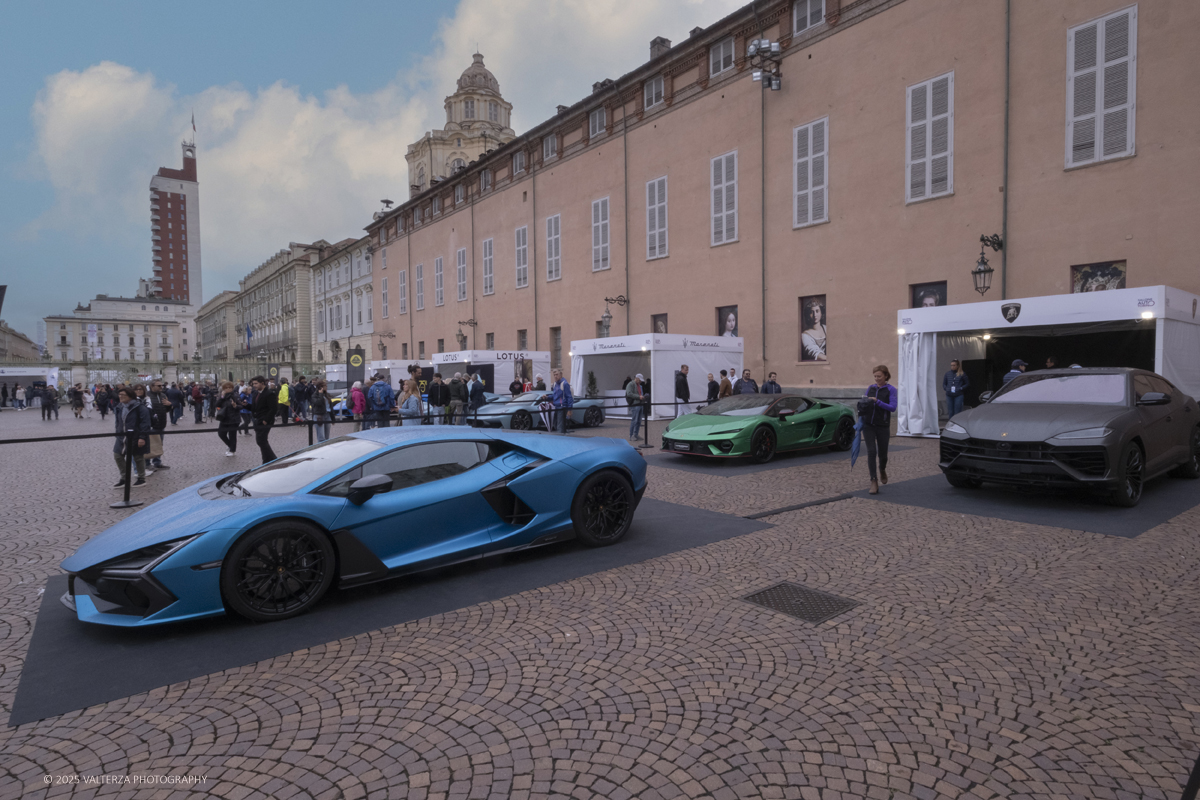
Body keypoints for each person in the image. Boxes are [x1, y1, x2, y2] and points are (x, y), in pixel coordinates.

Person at [860, 364, 898, 496]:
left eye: (879, 376)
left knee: (883, 454)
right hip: (868, 425)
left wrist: (877, 402)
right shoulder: (870, 388)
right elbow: (864, 402)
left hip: (883, 426)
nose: (876, 379)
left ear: (886, 376)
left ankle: (882, 468)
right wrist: (863, 405)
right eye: (875, 376)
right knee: (871, 452)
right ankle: (873, 480)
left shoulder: (891, 390)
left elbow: (893, 407)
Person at [112, 386, 151, 488]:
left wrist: (142, 437)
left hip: (136, 436)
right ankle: (124, 478)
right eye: (119, 395)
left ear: (130, 396)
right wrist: (118, 432)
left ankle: (141, 478)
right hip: (122, 436)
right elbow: (118, 422)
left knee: (138, 457)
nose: (120, 397)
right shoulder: (119, 407)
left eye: (123, 395)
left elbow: (145, 423)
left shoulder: (140, 407)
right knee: (117, 455)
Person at [250, 375, 278, 464]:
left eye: (256, 383)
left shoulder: (269, 393)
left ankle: (272, 459)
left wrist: (266, 419)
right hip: (257, 420)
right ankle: (267, 459)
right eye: (253, 384)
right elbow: (254, 407)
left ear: (262, 383)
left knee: (261, 440)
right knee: (261, 441)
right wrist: (244, 405)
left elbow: (273, 408)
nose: (254, 385)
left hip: (265, 421)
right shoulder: (255, 393)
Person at [145, 380, 172, 470]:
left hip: (161, 424)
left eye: (162, 385)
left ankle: (157, 462)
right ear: (152, 386)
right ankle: (147, 463)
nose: (161, 387)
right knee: (149, 445)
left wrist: (169, 405)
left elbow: (166, 410)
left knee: (159, 444)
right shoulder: (147, 396)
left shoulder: (163, 396)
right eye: (159, 386)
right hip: (151, 425)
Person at [214, 381, 242, 456]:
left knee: (232, 435)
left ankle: (232, 450)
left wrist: (235, 406)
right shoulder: (222, 396)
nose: (228, 389)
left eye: (230, 388)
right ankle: (230, 445)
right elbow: (217, 404)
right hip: (224, 418)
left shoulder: (235, 395)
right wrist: (222, 397)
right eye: (226, 388)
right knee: (221, 434)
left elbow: (241, 406)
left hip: (233, 418)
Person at [551, 368, 574, 434]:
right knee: (556, 424)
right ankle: (563, 436)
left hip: (562, 407)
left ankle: (560, 439)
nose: (555, 376)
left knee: (559, 426)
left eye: (557, 374)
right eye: (554, 375)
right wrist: (547, 397)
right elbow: (555, 396)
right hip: (557, 406)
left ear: (561, 375)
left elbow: (569, 397)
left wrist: (569, 410)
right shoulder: (555, 384)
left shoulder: (565, 384)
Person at [626, 373, 646, 442]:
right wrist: (638, 397)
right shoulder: (630, 384)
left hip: (640, 404)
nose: (640, 381)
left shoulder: (638, 385)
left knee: (638, 421)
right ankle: (631, 435)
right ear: (637, 378)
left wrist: (642, 397)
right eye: (640, 380)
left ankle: (635, 434)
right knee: (634, 420)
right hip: (635, 405)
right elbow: (629, 393)